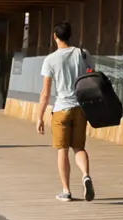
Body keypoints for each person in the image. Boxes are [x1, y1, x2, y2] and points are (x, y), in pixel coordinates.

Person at [37, 21, 95, 202]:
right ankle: (85, 175)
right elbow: (92, 77)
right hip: (80, 108)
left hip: (61, 109)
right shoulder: (83, 54)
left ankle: (66, 190)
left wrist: (39, 117)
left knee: (62, 150)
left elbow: (45, 92)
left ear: (55, 36)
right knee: (79, 147)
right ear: (70, 35)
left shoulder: (50, 60)